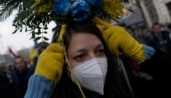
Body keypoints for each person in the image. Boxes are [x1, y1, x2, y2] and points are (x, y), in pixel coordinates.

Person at [25, 19, 155, 98]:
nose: (95, 63)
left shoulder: (125, 87)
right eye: (80, 56)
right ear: (62, 63)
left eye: (100, 51)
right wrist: (39, 89)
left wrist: (142, 53)